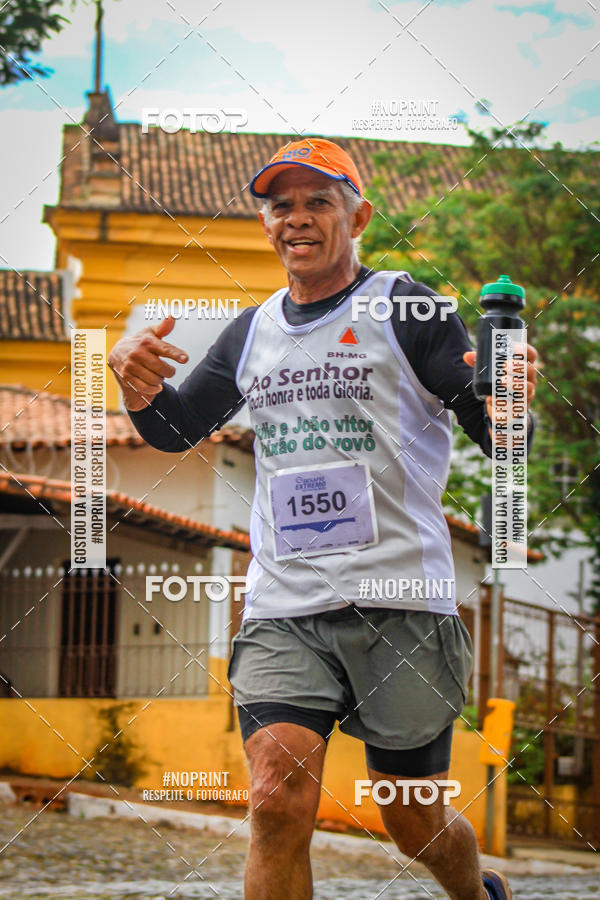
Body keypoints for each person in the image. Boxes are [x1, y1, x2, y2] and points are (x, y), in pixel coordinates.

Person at [109, 138, 538, 900]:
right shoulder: (251, 333)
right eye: (281, 205)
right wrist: (138, 388)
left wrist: (512, 408)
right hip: (286, 606)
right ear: (266, 224)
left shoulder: (408, 308)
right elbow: (177, 428)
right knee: (276, 799)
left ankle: (478, 893)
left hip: (401, 604)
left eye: (318, 202)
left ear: (358, 217)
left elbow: (498, 432)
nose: (297, 218)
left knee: (411, 818)